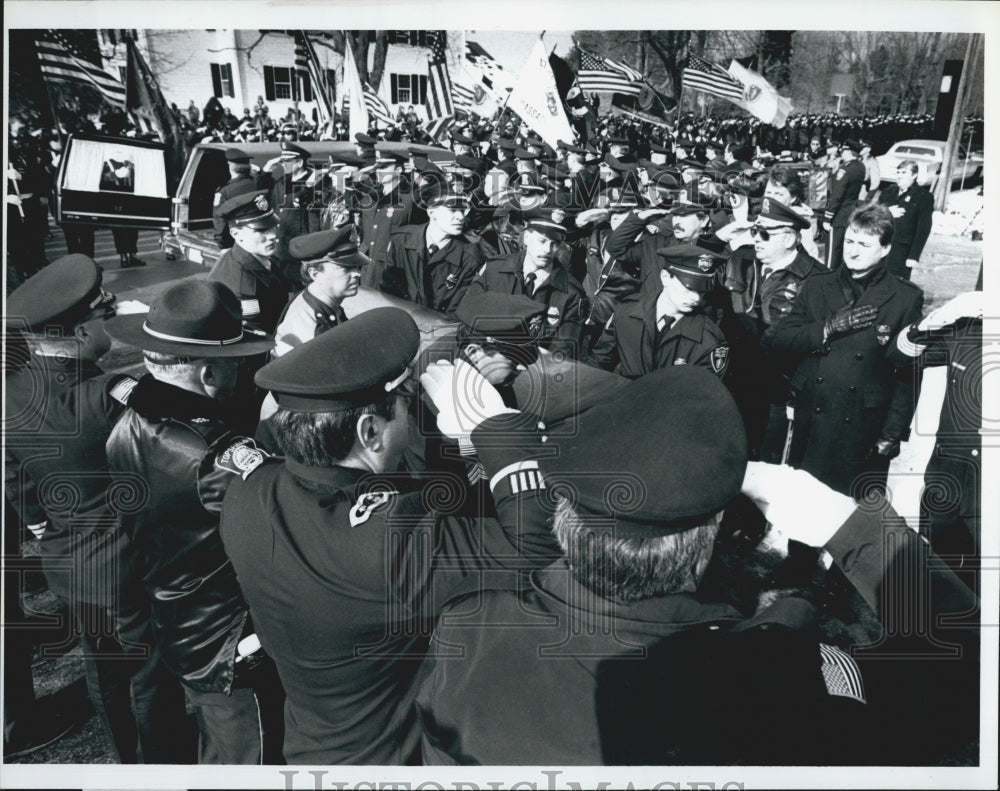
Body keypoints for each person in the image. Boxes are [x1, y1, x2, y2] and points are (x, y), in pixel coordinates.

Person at [414, 365, 979, 765]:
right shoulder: (770, 687)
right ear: (712, 541)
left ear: (565, 517)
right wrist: (851, 528)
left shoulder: (468, 630)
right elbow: (963, 673)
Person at [218, 308, 562, 764]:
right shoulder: (389, 543)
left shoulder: (249, 491)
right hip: (384, 757)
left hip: (310, 736)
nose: (411, 410)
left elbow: (399, 503)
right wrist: (496, 429)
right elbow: (536, 547)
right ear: (369, 432)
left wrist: (456, 449)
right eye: (403, 402)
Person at [4, 255, 193, 763]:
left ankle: (124, 755)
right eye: (101, 317)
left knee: (103, 666)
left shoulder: (9, 391)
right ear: (81, 332)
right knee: (148, 674)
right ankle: (160, 761)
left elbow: (13, 478)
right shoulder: (111, 394)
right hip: (125, 559)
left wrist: (46, 527)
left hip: (67, 557)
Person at [104, 279, 284, 764]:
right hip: (231, 642)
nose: (243, 370)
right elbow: (280, 541)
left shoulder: (127, 417)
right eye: (235, 362)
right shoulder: (223, 456)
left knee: (219, 747)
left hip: (174, 616)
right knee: (251, 756)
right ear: (208, 373)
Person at [762, 204, 924, 497]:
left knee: (850, 519)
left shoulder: (904, 298)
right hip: (814, 415)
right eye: (849, 241)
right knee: (805, 511)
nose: (853, 251)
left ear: (885, 249)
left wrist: (892, 432)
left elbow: (908, 373)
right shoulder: (817, 286)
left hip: (864, 425)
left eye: (864, 244)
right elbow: (780, 342)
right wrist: (826, 328)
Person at [888, 289, 983, 564]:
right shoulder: (970, 329)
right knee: (938, 566)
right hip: (946, 481)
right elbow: (899, 356)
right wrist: (938, 318)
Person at [586, 244, 728, 379]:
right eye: (689, 288)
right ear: (665, 278)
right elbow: (600, 362)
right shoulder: (627, 311)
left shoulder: (709, 339)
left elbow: (703, 396)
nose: (696, 297)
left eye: (702, 291)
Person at [464, 206, 588, 359]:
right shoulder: (495, 269)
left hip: (532, 372)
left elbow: (561, 354)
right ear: (527, 238)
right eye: (541, 241)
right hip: (482, 359)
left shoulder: (572, 294)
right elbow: (468, 320)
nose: (547, 250)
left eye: (554, 243)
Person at [380, 180, 483, 316]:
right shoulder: (401, 241)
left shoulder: (470, 256)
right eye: (452, 210)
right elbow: (387, 292)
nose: (460, 217)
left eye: (463, 210)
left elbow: (457, 310)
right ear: (432, 213)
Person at [208, 189, 289, 335]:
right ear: (236, 234)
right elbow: (257, 334)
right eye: (261, 230)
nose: (272, 236)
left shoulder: (258, 255)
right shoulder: (243, 287)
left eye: (272, 226)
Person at [877, 159, 934, 281]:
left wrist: (914, 256)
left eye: (904, 173)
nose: (899, 176)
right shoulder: (888, 192)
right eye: (898, 172)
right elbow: (873, 215)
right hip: (881, 246)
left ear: (914, 175)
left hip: (902, 250)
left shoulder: (923, 197)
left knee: (896, 283)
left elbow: (923, 228)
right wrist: (887, 212)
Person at [212, 148, 275, 250]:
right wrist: (260, 171)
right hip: (260, 235)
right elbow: (268, 182)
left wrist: (223, 245)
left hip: (237, 240)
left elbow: (220, 220)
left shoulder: (225, 191)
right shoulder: (258, 183)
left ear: (230, 166)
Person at [822, 137, 866, 271]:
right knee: (844, 251)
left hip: (839, 214)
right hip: (851, 212)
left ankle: (828, 279)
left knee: (832, 252)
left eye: (844, 150)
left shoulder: (844, 170)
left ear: (848, 152)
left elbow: (837, 196)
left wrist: (827, 217)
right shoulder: (860, 167)